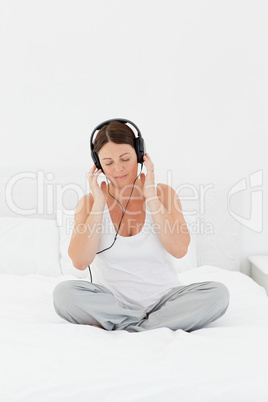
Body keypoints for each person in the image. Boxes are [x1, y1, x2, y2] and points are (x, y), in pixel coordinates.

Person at [53, 119, 229, 332]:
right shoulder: (89, 203)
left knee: (218, 294)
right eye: (108, 163)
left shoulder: (164, 194)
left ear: (139, 154)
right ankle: (151, 326)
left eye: (125, 159)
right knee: (64, 294)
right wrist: (99, 203)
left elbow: (179, 249)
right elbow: (80, 262)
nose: (118, 168)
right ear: (97, 164)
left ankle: (124, 324)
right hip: (111, 302)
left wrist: (151, 196)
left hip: (165, 302)